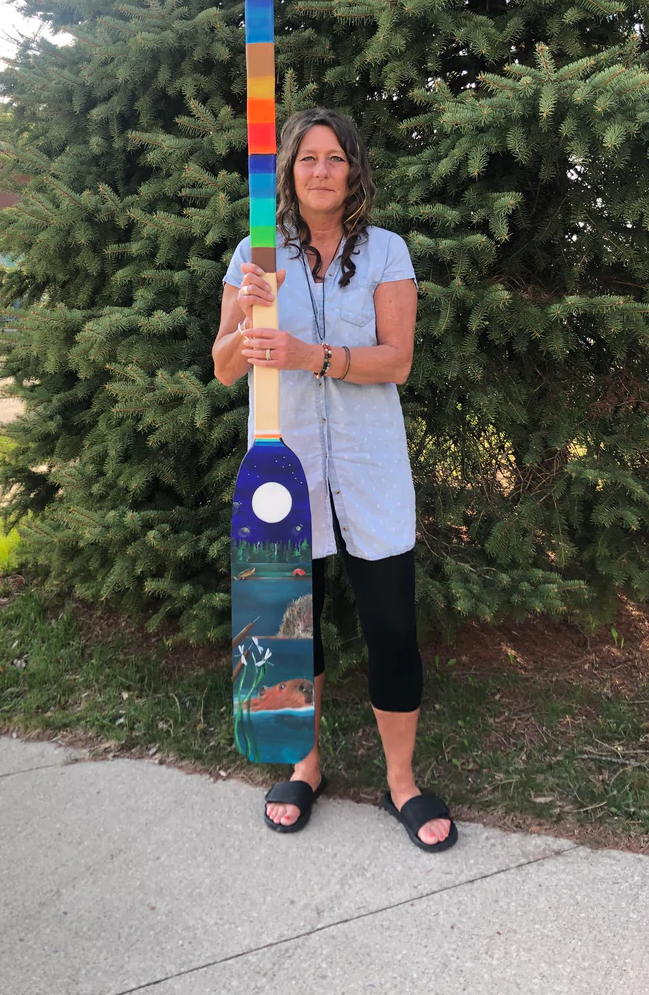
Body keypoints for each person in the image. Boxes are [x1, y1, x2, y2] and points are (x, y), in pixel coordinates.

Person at [212, 107, 457, 852]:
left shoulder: (386, 252)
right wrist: (249, 311)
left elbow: (397, 361)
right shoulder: (254, 254)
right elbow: (224, 368)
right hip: (285, 475)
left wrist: (308, 355)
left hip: (370, 470)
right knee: (294, 628)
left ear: (354, 172)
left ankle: (401, 782)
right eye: (308, 158)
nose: (321, 170)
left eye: (335, 158)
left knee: (392, 630)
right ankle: (305, 767)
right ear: (289, 171)